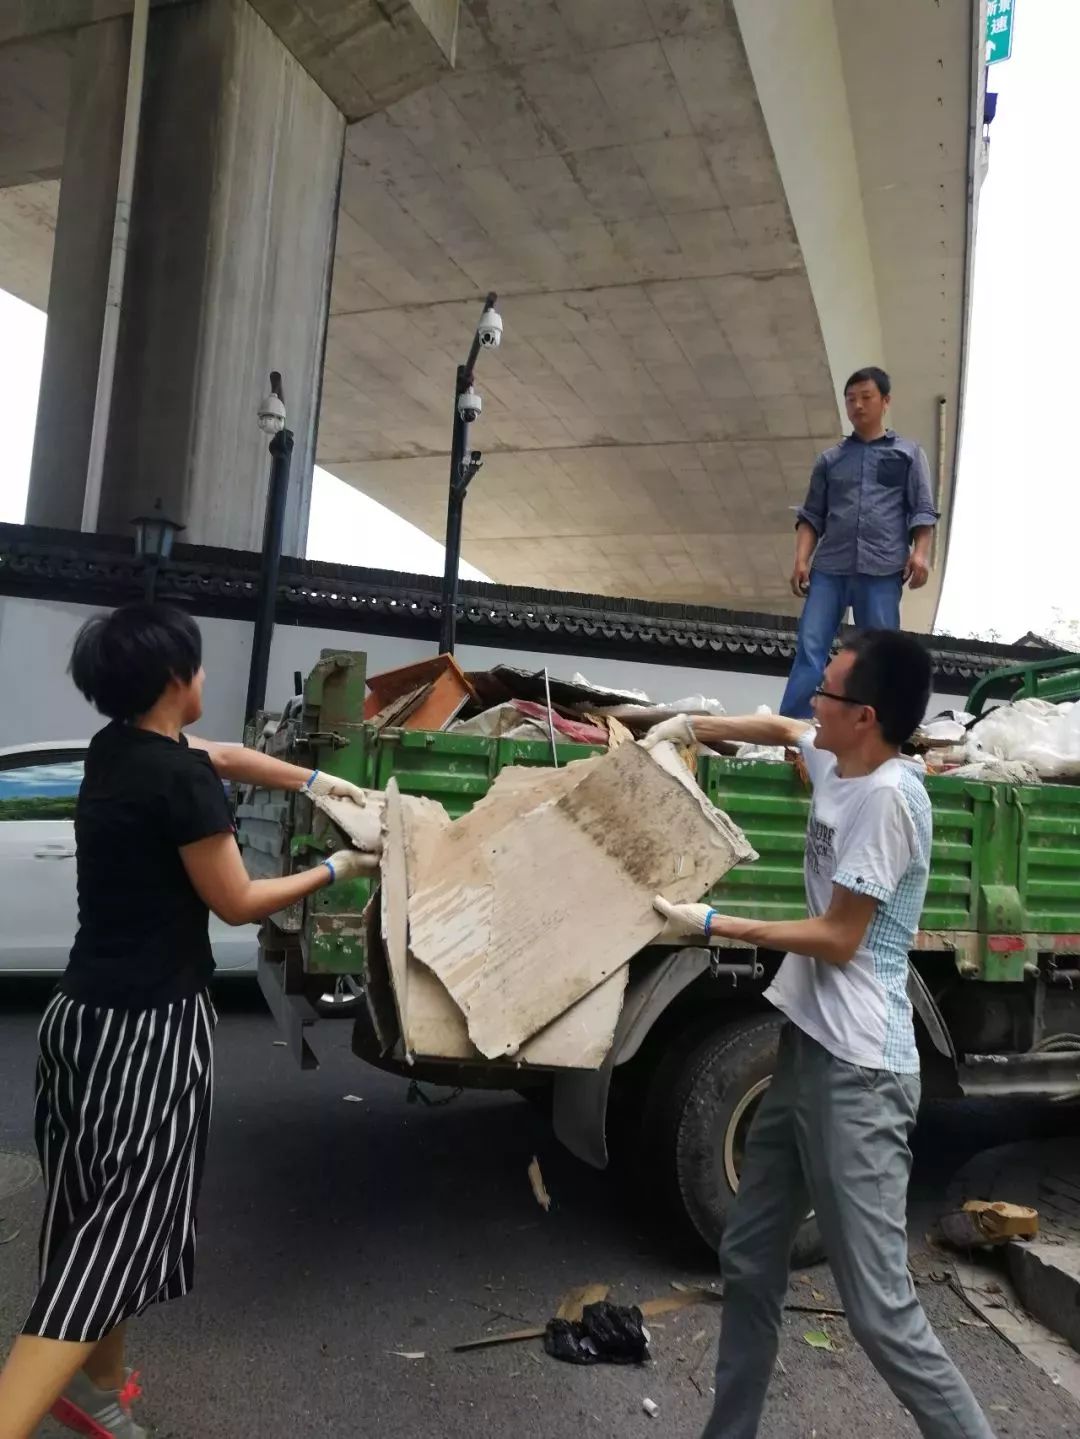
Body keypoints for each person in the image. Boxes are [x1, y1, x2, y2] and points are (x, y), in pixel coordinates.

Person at [0, 603, 377, 1439]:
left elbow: (232, 755)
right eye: (200, 668)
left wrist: (320, 782)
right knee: (126, 1227)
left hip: (78, 1018)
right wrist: (333, 864)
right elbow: (238, 902)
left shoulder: (119, 749)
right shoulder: (180, 780)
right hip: (149, 1030)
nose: (205, 678)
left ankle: (93, 1391)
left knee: (88, 1210)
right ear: (176, 679)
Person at [647, 630, 995, 1439]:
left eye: (828, 693)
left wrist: (717, 923)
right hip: (807, 1050)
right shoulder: (845, 757)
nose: (813, 703)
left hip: (861, 1073)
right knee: (750, 1254)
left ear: (865, 715)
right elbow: (777, 727)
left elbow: (841, 936)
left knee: (878, 1311)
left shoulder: (888, 801)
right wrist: (687, 729)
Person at [779, 366, 939, 719]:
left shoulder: (908, 455)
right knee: (810, 646)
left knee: (878, 654)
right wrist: (801, 560)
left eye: (866, 397)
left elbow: (922, 512)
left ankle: (877, 725)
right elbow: (812, 517)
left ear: (885, 401)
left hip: (881, 570)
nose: (858, 405)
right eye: (851, 399)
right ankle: (793, 727)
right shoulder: (830, 460)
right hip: (830, 569)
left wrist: (921, 555)